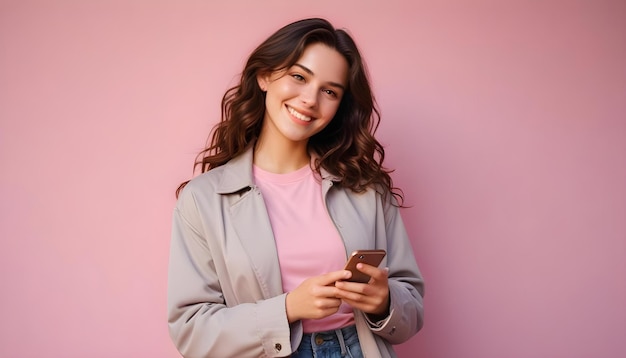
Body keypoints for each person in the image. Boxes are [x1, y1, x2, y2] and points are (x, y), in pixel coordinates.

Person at [168, 18, 424, 358]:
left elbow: (412, 307)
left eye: (329, 91)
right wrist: (287, 308)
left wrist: (384, 302)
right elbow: (191, 329)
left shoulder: (365, 188)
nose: (310, 100)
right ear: (264, 76)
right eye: (299, 77)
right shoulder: (202, 200)